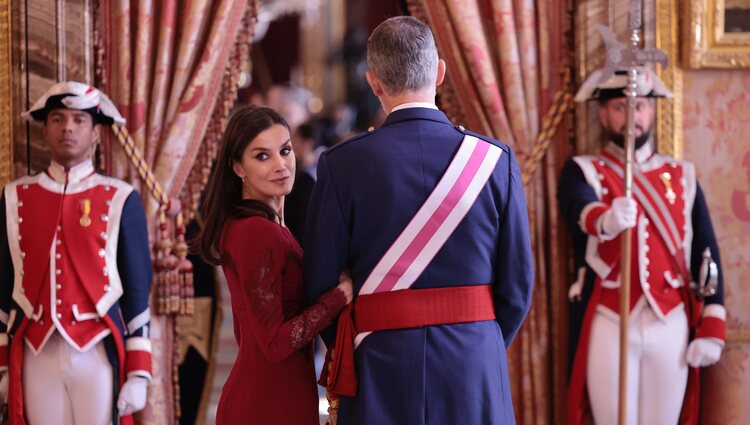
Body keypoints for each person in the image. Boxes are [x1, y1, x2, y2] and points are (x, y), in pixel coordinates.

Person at [304, 16, 534, 425]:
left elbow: (321, 284)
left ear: (374, 83)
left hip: (378, 364)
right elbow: (517, 287)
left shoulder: (342, 164)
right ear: (440, 72)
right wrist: (480, 342)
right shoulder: (495, 162)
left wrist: (356, 340)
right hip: (474, 363)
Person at [558, 67, 726, 425]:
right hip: (610, 316)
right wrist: (604, 219)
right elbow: (576, 205)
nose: (632, 116)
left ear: (653, 111)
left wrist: (712, 327)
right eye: (620, 107)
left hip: (670, 319)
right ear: (603, 114)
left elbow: (706, 252)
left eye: (640, 106)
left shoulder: (683, 175)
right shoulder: (584, 170)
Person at [0, 81, 153, 425]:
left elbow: (137, 290)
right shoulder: (15, 196)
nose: (67, 127)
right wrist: (2, 365)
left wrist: (139, 371)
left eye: (78, 120)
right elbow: (4, 287)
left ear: (97, 132)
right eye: (57, 118)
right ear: (45, 129)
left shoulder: (120, 198)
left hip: (96, 349)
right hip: (35, 350)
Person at [192, 105, 353, 425]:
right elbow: (276, 344)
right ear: (238, 167)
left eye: (285, 150)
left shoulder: (261, 225)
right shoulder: (257, 231)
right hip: (268, 403)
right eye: (262, 156)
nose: (281, 165)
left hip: (279, 394)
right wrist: (339, 297)